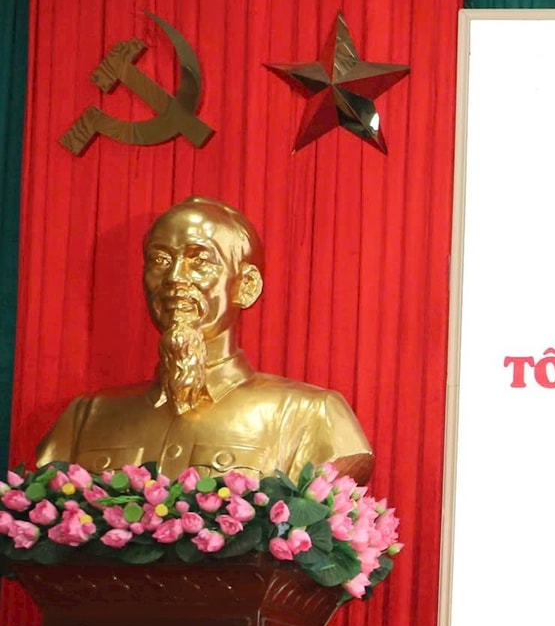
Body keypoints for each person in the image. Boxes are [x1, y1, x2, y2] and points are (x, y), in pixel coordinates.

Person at [34, 196, 373, 483]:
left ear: (246, 285)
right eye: (160, 260)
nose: (174, 277)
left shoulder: (312, 416)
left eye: (200, 261)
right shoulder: (85, 418)